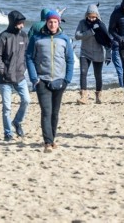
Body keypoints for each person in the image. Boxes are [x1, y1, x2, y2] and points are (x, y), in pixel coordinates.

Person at [26, 10, 74, 153]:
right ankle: (47, 142)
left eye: (55, 22)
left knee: (55, 113)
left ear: (59, 23)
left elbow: (70, 60)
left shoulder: (65, 39)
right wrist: (35, 78)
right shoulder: (36, 38)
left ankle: (52, 138)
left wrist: (67, 79)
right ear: (46, 23)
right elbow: (29, 58)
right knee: (46, 112)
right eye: (50, 22)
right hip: (42, 81)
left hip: (59, 81)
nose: (52, 24)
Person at [0, 10, 31, 141]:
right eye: (19, 23)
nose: (22, 26)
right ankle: (8, 133)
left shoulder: (24, 36)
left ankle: (17, 121)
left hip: (20, 76)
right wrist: (3, 71)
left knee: (27, 100)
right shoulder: (2, 37)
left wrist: (24, 67)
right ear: (13, 23)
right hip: (5, 79)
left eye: (23, 23)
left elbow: (27, 54)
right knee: (7, 108)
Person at [74, 4, 111, 104]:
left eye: (94, 17)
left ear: (97, 16)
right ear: (86, 15)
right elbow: (77, 36)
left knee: (98, 75)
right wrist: (90, 32)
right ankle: (84, 97)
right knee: (83, 73)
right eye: (89, 16)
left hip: (98, 54)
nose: (91, 19)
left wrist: (108, 55)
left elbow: (107, 41)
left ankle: (99, 97)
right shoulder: (82, 23)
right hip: (85, 53)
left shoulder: (101, 25)